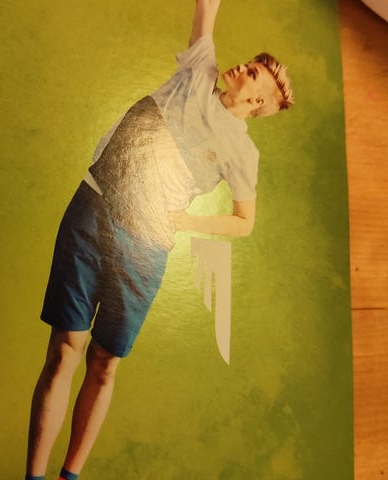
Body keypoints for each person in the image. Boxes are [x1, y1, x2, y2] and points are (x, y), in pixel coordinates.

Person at [25, 1, 294, 479]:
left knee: (105, 362)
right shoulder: (198, 72)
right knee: (65, 346)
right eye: (250, 63)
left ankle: (69, 476)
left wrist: (186, 222)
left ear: (258, 103)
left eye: (253, 73)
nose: (242, 67)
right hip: (92, 209)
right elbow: (206, 7)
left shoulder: (243, 153)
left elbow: (244, 222)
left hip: (144, 247)